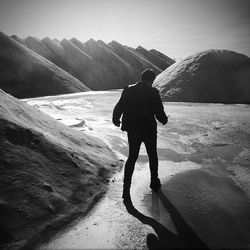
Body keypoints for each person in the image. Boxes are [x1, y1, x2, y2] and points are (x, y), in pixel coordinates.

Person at [112, 68, 168, 201]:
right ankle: (154, 182)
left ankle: (126, 189)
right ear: (151, 80)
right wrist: (164, 119)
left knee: (132, 157)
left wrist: (116, 119)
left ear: (142, 77)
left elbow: (119, 106)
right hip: (148, 129)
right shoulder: (153, 92)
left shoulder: (128, 90)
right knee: (152, 155)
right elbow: (159, 111)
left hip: (133, 129)